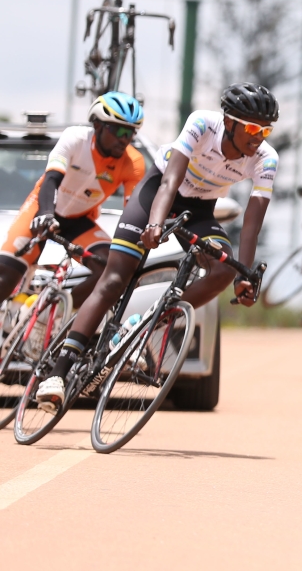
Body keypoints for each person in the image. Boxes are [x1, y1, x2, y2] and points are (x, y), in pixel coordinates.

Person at [34, 82, 280, 411]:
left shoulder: (266, 159)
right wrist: (154, 224)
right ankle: (59, 374)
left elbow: (251, 224)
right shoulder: (203, 124)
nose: (258, 136)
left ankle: (152, 322)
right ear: (230, 122)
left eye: (266, 129)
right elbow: (169, 181)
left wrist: (245, 275)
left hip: (199, 209)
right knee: (114, 279)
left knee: (224, 267)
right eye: (251, 127)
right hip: (157, 194)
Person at [0, 92, 146, 310]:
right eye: (118, 130)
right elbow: (51, 180)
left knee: (111, 268)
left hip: (80, 220)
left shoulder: (133, 161)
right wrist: (46, 214)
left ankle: (53, 314)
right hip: (44, 209)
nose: (124, 139)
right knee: (5, 278)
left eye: (130, 133)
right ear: (97, 125)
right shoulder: (76, 139)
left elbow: (132, 211)